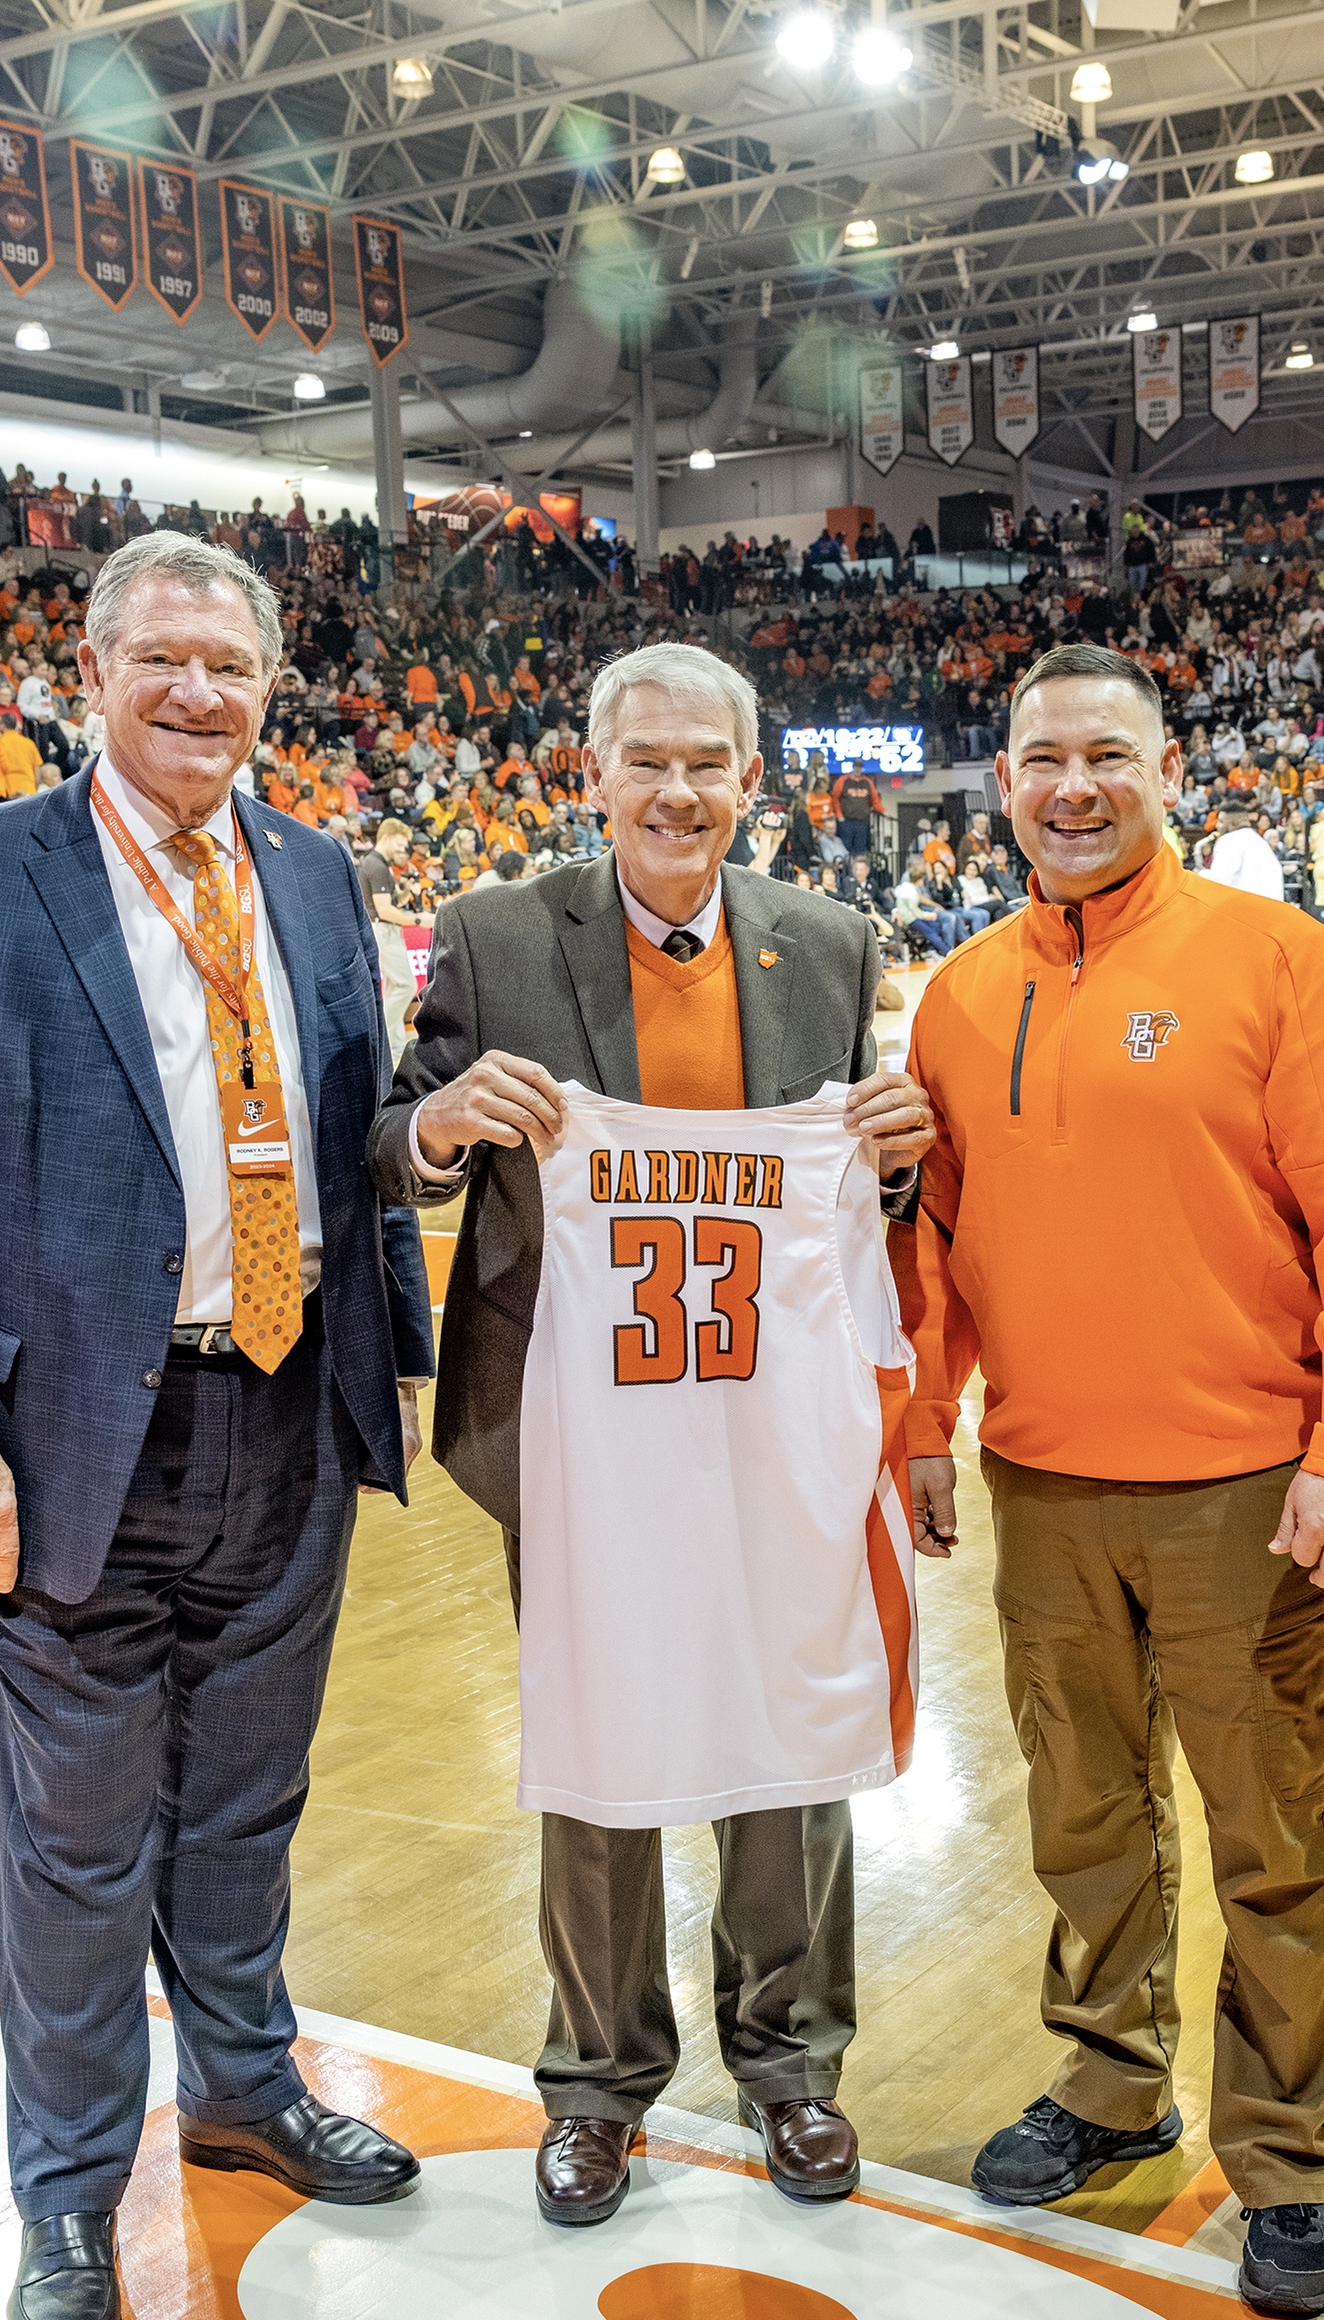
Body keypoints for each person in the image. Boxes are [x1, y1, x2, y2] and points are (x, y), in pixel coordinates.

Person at [0, 531, 436, 2320]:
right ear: (87, 673)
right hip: (76, 1437)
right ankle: (66, 2200)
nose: (198, 696)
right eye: (162, 660)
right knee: (80, 1850)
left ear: (268, 690)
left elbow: (347, 1121)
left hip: (288, 1408)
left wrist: (430, 1139)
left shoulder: (319, 876)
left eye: (231, 669)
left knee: (247, 1805)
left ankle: (244, 2094)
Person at [372, 642, 936, 2229]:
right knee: (599, 1747)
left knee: (789, 1732)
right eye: (648, 763)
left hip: (771, 1416)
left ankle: (789, 2063)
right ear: (594, 773)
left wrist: (893, 1158)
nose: (677, 792)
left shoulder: (827, 944)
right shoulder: (493, 936)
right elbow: (384, 1144)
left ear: (751, 782)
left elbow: (853, 1190)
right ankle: (596, 2083)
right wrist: (436, 1125)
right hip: (574, 1423)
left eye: (709, 765)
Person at [897, 642, 1324, 2320]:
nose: (1070, 786)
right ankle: (1109, 2089)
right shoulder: (961, 989)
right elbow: (941, 1242)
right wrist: (923, 1418)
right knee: (1079, 1813)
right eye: (1040, 757)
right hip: (1044, 1484)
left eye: (1105, 756)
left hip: (1243, 1489)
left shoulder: (1272, 962)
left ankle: (1282, 2158)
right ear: (999, 785)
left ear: (1166, 770)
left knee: (1273, 1830)